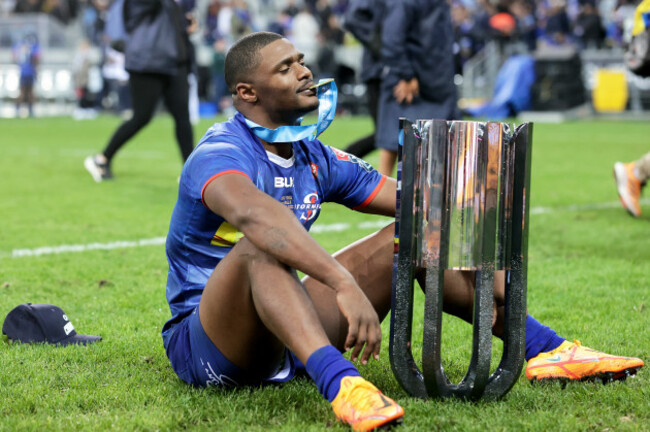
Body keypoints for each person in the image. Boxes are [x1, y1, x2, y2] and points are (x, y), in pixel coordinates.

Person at [162, 32, 644, 432]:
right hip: (210, 343)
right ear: (248, 93)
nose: (305, 71)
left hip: (285, 328)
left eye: (302, 61)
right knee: (258, 250)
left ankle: (544, 348)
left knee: (419, 225)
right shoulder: (220, 152)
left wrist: (478, 227)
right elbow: (260, 222)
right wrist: (343, 283)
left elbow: (420, 200)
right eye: (286, 67)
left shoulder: (314, 155)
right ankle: (342, 385)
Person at [84, 0, 196, 182]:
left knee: (182, 117)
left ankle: (191, 173)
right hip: (146, 63)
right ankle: (102, 159)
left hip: (174, 62)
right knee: (141, 117)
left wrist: (186, 27)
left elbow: (170, 26)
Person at [375, 0, 460, 176]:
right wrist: (405, 74)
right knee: (393, 141)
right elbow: (392, 38)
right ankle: (379, 197)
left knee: (443, 145)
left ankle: (430, 198)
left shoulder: (441, 5)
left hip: (438, 83)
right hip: (410, 83)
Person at [341, 0, 384, 159]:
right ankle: (342, 158)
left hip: (387, 69)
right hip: (378, 72)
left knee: (388, 132)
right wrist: (380, 45)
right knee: (386, 132)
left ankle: (342, 158)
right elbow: (352, 18)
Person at [12, 33, 40, 118]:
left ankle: (29, 110)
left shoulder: (28, 49)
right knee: (24, 93)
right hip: (25, 74)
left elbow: (36, 59)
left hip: (29, 74)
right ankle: (18, 110)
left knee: (29, 93)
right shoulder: (23, 50)